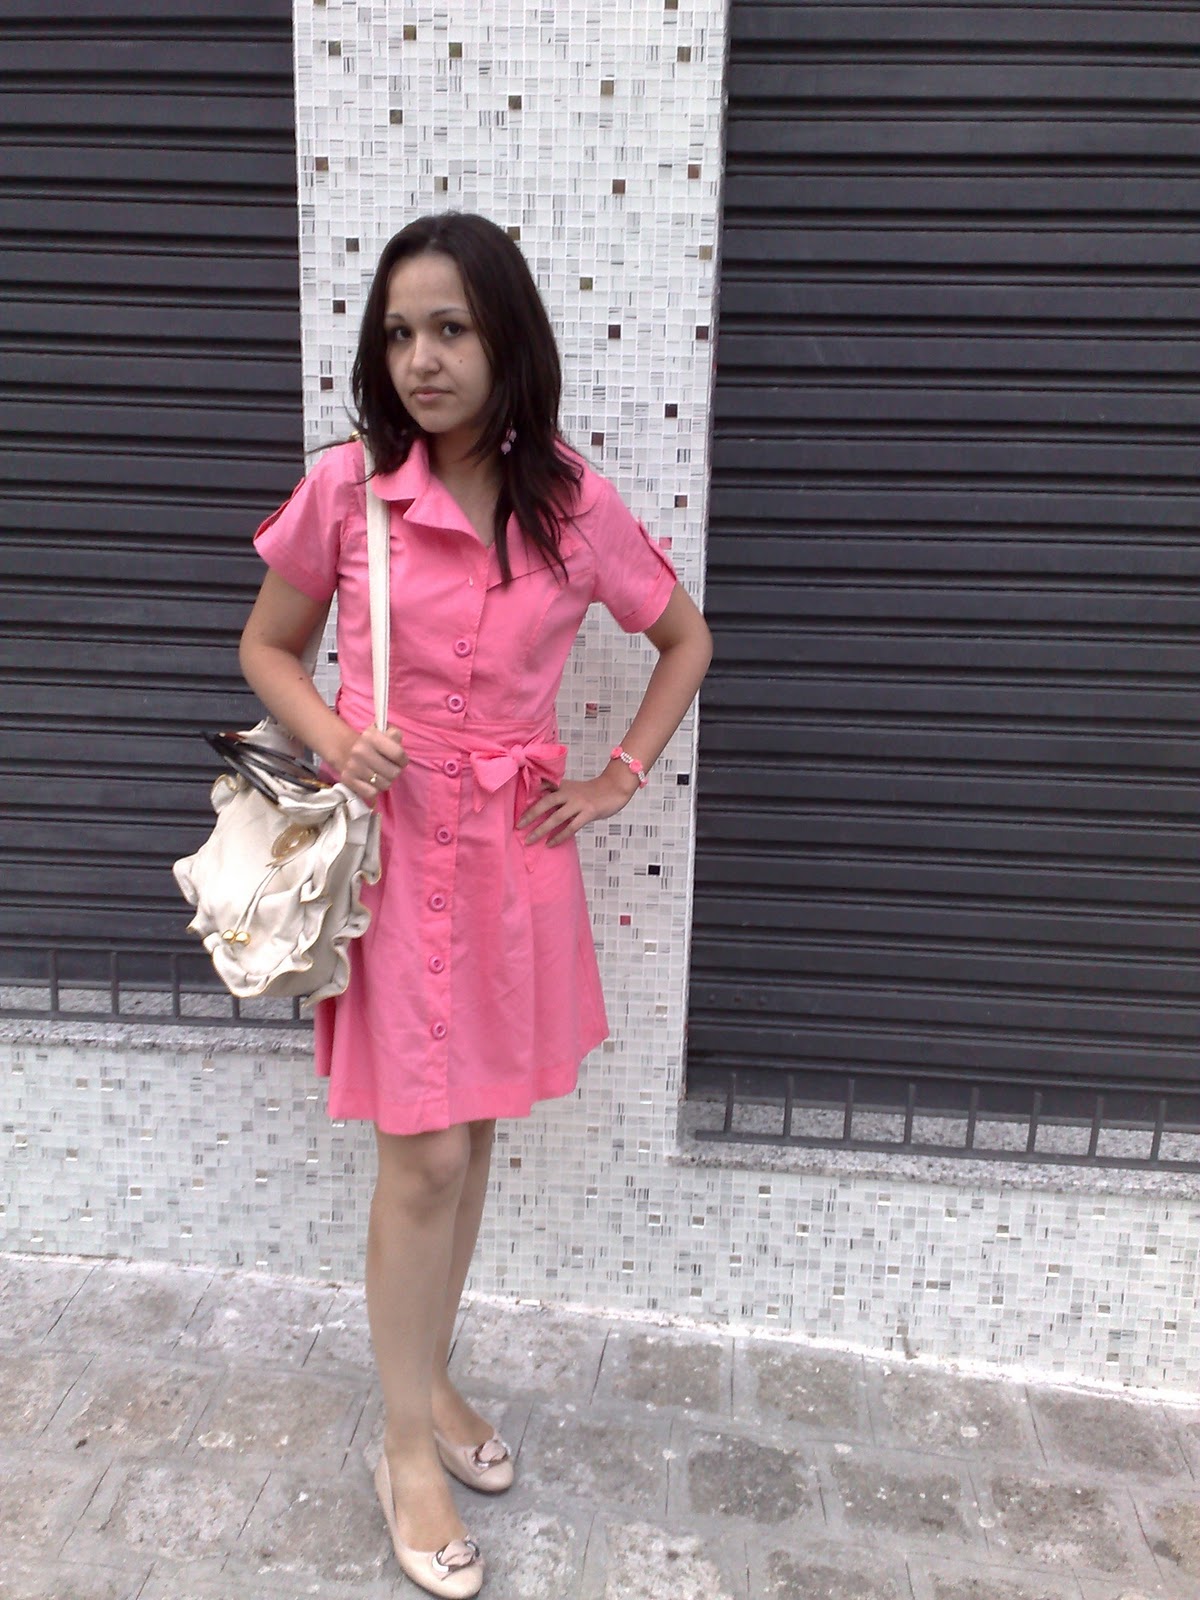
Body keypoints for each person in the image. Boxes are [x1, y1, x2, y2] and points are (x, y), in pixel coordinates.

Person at [238, 211, 712, 1598]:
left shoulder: (575, 504)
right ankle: (405, 1447)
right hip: (397, 857)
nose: (422, 360)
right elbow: (267, 647)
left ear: (506, 337)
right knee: (424, 1160)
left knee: (477, 1135)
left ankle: (431, 1380)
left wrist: (617, 777)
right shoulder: (349, 492)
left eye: (449, 328)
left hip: (512, 859)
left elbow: (683, 638)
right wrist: (340, 739)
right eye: (399, 333)